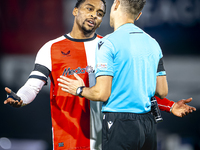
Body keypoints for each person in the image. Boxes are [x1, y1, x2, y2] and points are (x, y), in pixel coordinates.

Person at [4, 0, 196, 150]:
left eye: (100, 13)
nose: (94, 16)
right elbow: (33, 85)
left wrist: (169, 106)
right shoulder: (51, 48)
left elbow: (134, 90)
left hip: (108, 136)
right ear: (75, 10)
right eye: (89, 9)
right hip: (69, 138)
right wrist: (20, 98)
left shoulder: (111, 45)